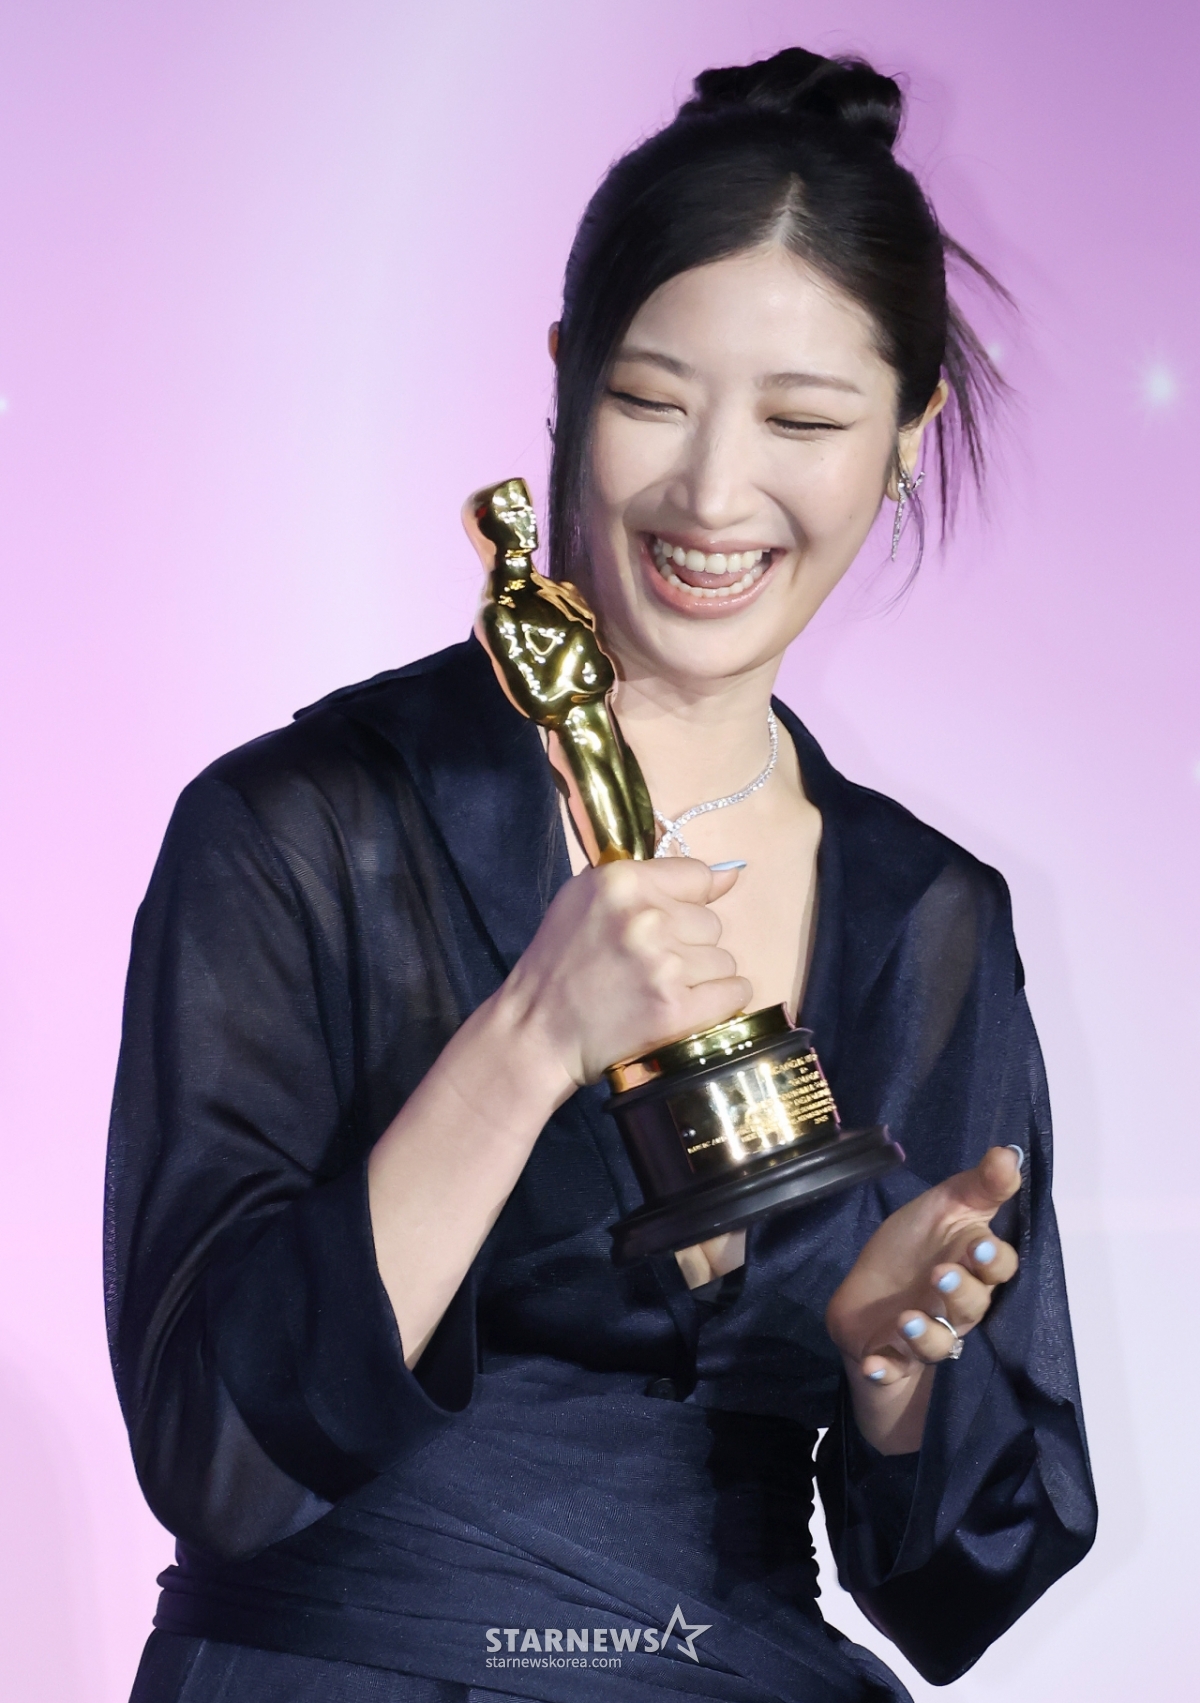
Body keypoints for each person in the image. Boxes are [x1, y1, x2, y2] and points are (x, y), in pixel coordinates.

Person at [107, 46, 1097, 1703]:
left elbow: (963, 1586)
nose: (713, 493)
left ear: (908, 437)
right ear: (564, 379)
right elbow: (210, 1443)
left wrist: (892, 1374)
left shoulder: (926, 920)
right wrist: (528, 1039)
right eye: (652, 400)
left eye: (803, 421)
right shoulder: (300, 828)